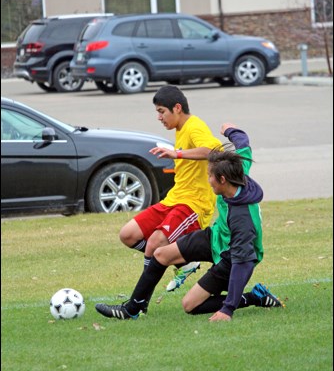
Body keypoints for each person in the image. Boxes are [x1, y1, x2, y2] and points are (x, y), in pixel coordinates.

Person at [95, 123, 283, 320]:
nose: (208, 180)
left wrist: (228, 309)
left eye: (209, 176)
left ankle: (254, 297)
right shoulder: (237, 172)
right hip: (215, 238)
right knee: (160, 253)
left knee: (190, 305)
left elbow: (242, 263)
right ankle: (133, 308)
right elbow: (243, 144)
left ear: (221, 179)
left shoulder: (242, 219)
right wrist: (230, 130)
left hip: (230, 258)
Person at [118, 85, 222, 292]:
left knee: (154, 244)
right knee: (128, 234)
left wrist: (178, 155)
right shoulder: (180, 129)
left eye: (161, 111)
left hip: (194, 204)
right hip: (174, 199)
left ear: (177, 108)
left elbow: (213, 151)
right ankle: (183, 262)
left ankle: (137, 303)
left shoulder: (194, 126)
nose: (159, 117)